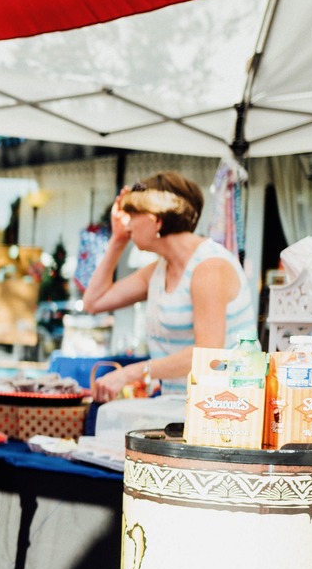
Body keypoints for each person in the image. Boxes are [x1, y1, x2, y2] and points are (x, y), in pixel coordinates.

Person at [82, 172, 257, 402]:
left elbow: (210, 355)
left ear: (156, 219)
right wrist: (117, 241)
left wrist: (132, 372)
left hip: (224, 409)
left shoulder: (209, 267)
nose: (127, 223)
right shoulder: (159, 270)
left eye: (133, 215)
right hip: (180, 406)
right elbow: (93, 302)